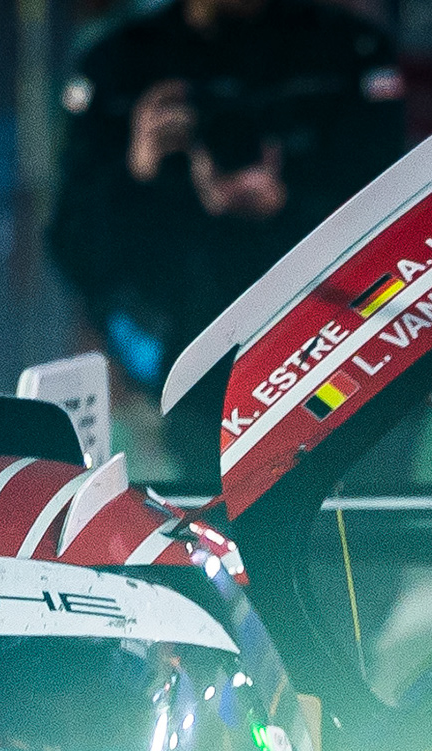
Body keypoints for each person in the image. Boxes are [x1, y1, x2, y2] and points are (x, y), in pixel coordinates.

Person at [47, 0, 410, 481]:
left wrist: (283, 207)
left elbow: (400, 233)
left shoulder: (346, 54)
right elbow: (75, 251)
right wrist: (137, 172)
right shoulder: (121, 66)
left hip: (346, 364)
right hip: (192, 381)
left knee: (360, 545)